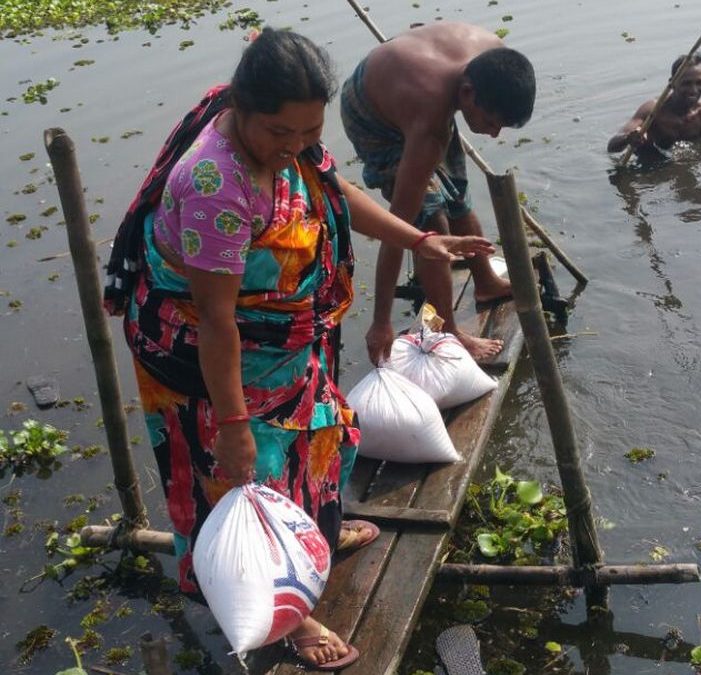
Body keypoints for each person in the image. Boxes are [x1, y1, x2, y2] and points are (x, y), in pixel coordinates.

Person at [103, 27, 493, 671]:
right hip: (210, 359)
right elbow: (218, 322)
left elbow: (334, 190)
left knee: (316, 439)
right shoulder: (215, 187)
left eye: (309, 133)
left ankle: (317, 530)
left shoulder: (294, 146)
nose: (296, 148)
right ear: (242, 109)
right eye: (280, 134)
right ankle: (289, 611)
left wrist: (419, 240)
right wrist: (230, 425)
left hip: (288, 341)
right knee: (242, 473)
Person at [340, 22, 536, 364]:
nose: (492, 135)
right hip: (370, 111)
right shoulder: (429, 122)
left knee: (458, 196)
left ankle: (486, 280)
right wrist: (381, 321)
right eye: (490, 122)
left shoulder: (492, 54)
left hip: (415, 82)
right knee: (429, 218)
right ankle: (449, 330)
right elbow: (397, 227)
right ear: (467, 94)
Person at [607, 52, 701, 154]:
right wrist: (628, 139)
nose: (694, 90)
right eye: (686, 83)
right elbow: (612, 147)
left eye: (699, 83)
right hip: (649, 161)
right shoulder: (652, 111)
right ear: (672, 82)